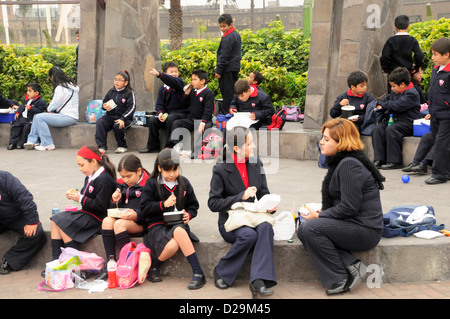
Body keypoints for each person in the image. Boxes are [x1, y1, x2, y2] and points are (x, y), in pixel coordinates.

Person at [298, 118, 385, 296]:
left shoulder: (349, 165)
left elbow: (349, 208)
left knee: (312, 228)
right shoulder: (342, 162)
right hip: (352, 223)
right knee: (303, 230)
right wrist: (323, 213)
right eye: (322, 137)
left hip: (365, 230)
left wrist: (320, 217)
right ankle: (353, 265)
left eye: (327, 139)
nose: (321, 142)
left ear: (342, 142)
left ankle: (339, 277)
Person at [208, 126, 277, 299]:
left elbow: (263, 193)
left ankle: (258, 281)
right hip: (232, 222)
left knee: (266, 228)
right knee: (249, 236)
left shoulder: (256, 163)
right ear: (237, 148)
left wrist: (269, 204)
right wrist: (241, 196)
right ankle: (222, 271)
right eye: (250, 144)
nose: (253, 147)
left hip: (252, 216)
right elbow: (213, 203)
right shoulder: (221, 169)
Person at [140, 148, 205, 290]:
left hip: (178, 224)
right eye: (167, 170)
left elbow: (194, 206)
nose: (171, 174)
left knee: (179, 232)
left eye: (175, 170)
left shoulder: (184, 183)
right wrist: (163, 204)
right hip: (157, 225)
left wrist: (189, 215)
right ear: (159, 168)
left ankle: (198, 273)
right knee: (174, 244)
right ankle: (156, 266)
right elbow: (144, 208)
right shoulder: (152, 183)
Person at [49, 146, 116, 262]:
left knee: (63, 223)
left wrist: (80, 198)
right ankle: (56, 260)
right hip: (87, 213)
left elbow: (101, 206)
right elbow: (87, 194)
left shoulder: (104, 179)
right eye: (78, 165)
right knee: (55, 219)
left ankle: (74, 262)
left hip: (97, 218)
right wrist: (77, 194)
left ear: (93, 162)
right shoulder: (90, 177)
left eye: (82, 165)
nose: (80, 169)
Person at [98, 154, 150, 280]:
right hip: (125, 218)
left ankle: (126, 263)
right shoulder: (120, 184)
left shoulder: (148, 184)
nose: (126, 180)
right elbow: (113, 207)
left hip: (142, 221)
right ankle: (111, 263)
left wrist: (136, 214)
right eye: (123, 176)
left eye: (129, 176)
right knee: (106, 221)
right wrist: (114, 200)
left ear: (139, 171)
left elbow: (150, 209)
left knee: (119, 224)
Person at [371, 67, 421, 169]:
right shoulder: (396, 92)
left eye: (394, 86)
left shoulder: (412, 93)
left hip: (408, 122)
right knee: (378, 129)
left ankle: (394, 161)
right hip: (395, 120)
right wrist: (384, 104)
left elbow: (397, 105)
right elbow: (385, 100)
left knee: (392, 130)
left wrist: (385, 105)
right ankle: (379, 159)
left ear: (402, 84)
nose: (392, 89)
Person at [0, 170, 46, 275]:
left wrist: (32, 221)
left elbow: (24, 197)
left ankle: (9, 261)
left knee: (37, 233)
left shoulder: (4, 178)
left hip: (17, 216)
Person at [24, 66, 79, 151]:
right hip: (71, 116)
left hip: (67, 117)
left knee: (39, 117)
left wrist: (50, 106)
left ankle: (47, 144)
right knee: (37, 116)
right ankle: (32, 141)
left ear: (52, 77)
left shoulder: (60, 88)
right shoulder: (71, 86)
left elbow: (53, 106)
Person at [139, 62, 190, 153]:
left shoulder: (180, 83)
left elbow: (173, 82)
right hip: (168, 115)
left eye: (176, 71)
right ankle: (153, 146)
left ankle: (169, 146)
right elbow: (159, 104)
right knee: (152, 120)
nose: (175, 73)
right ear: (166, 73)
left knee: (171, 118)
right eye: (172, 72)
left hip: (181, 114)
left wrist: (159, 74)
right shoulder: (162, 88)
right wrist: (160, 113)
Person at [424, 37, 450, 185]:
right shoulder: (436, 69)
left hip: (447, 114)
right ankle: (446, 171)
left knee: (441, 143)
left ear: (446, 55)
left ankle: (439, 174)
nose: (432, 58)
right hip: (435, 113)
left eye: (435, 54)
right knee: (440, 142)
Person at [171, 69, 214, 157]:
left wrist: (203, 122)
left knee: (205, 128)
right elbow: (184, 105)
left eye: (195, 79)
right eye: (192, 79)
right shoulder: (192, 92)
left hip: (203, 120)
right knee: (176, 123)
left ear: (202, 81)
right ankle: (178, 145)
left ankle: (197, 151)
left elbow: (208, 110)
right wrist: (186, 95)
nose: (192, 82)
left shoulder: (208, 93)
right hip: (192, 119)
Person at [95, 70, 136, 153]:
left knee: (118, 125)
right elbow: (104, 103)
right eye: (115, 79)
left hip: (124, 119)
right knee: (100, 122)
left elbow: (132, 108)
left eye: (120, 80)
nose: (117, 82)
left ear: (125, 82)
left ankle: (122, 146)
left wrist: (123, 118)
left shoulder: (129, 93)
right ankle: (102, 146)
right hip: (110, 116)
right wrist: (104, 106)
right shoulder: (111, 92)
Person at [215, 13, 241, 114]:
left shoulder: (228, 37)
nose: (222, 28)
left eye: (224, 26)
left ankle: (227, 113)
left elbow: (224, 56)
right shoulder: (236, 34)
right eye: (220, 26)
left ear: (231, 24)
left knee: (227, 93)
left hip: (227, 69)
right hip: (234, 67)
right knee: (233, 92)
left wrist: (218, 71)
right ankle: (233, 112)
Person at [7, 83, 47, 150]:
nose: (27, 92)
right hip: (22, 118)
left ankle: (22, 144)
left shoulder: (40, 102)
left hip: (29, 120)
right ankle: (12, 143)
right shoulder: (26, 99)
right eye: (27, 91)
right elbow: (21, 107)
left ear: (36, 93)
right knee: (15, 128)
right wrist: (18, 112)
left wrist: (31, 108)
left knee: (26, 130)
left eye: (30, 91)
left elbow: (40, 111)